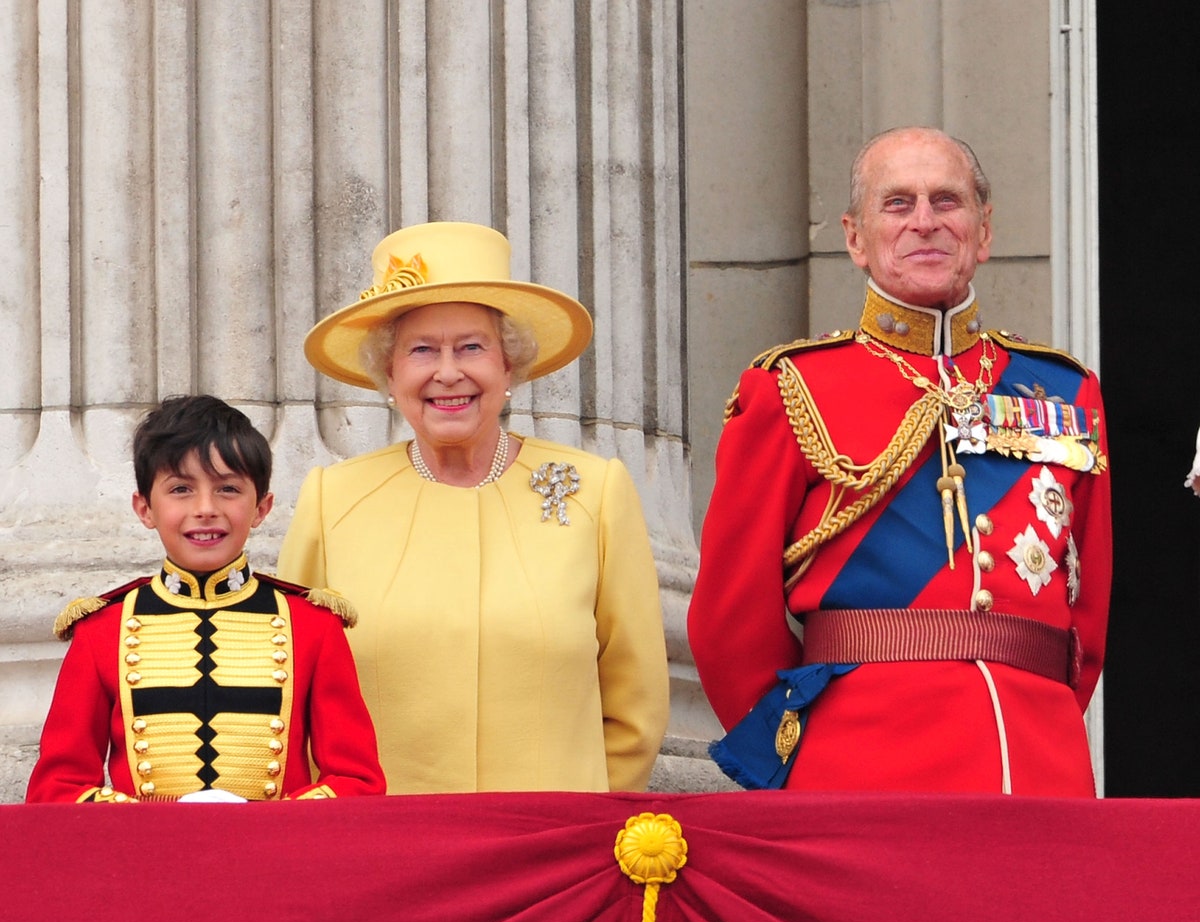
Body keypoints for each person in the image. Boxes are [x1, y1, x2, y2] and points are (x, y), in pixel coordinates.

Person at [688, 127, 1112, 796]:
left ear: (983, 228)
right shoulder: (789, 388)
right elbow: (729, 623)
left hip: (1034, 759)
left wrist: (1043, 711)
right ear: (855, 238)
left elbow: (1085, 615)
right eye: (898, 203)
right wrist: (805, 756)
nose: (925, 222)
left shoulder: (1064, 392)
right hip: (858, 767)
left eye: (947, 201)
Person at [277, 221, 669, 794]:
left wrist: (586, 819)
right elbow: (291, 686)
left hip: (549, 846)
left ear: (509, 367)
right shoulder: (332, 499)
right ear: (390, 374)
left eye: (471, 347)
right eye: (421, 351)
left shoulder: (594, 490)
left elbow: (636, 700)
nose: (448, 372)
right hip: (388, 846)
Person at [25, 394, 386, 804]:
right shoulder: (101, 630)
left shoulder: (312, 625)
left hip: (276, 856)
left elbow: (358, 782)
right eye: (180, 488)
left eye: (228, 489)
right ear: (144, 509)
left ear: (261, 508)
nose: (205, 509)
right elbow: (56, 789)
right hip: (148, 859)